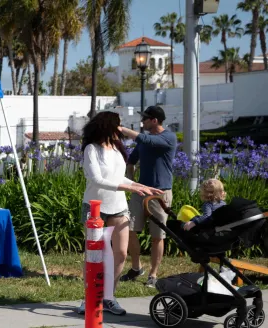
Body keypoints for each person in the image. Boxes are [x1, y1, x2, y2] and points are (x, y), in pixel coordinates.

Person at [77, 111, 163, 316]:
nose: (121, 128)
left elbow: (120, 177)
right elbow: (97, 180)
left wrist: (141, 186)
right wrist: (132, 189)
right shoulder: (91, 149)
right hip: (94, 207)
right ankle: (89, 298)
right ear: (108, 125)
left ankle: (109, 297)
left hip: (118, 206)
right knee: (94, 256)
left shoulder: (116, 149)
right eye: (118, 124)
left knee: (121, 253)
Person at [118, 106, 177, 288]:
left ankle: (153, 274)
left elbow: (144, 139)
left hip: (160, 194)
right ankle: (136, 268)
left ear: (155, 120)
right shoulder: (144, 142)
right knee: (130, 229)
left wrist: (121, 129)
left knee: (157, 236)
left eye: (145, 119)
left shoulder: (168, 137)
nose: (142, 122)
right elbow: (131, 160)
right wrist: (132, 182)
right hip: (140, 192)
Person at [166, 179, 227, 244]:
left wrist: (194, 222)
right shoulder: (223, 203)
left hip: (207, 230)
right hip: (217, 229)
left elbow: (207, 216)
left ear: (205, 193)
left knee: (174, 224)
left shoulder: (208, 204)